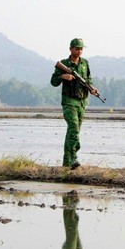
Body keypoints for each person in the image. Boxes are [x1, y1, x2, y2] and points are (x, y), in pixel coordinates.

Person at [50, 38, 98, 169]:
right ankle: (74, 157)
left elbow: (88, 79)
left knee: (73, 131)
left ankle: (66, 163)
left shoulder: (85, 63)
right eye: (77, 48)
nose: (79, 51)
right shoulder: (64, 64)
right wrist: (62, 76)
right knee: (73, 128)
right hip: (69, 101)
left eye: (81, 48)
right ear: (71, 49)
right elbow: (53, 82)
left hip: (82, 102)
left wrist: (92, 89)